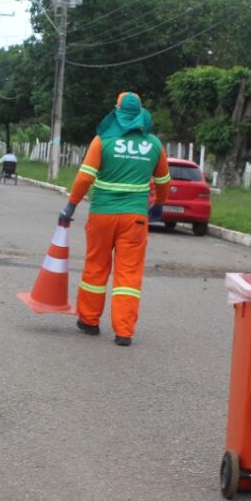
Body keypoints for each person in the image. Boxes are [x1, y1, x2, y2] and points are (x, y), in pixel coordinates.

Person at [58, 92, 169, 346]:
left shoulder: (103, 140)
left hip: (102, 215)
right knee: (128, 275)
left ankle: (89, 320)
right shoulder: (153, 144)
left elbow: (85, 177)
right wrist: (159, 204)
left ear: (116, 112)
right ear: (140, 114)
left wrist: (70, 206)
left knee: (96, 267)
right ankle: (124, 331)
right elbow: (163, 181)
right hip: (135, 218)